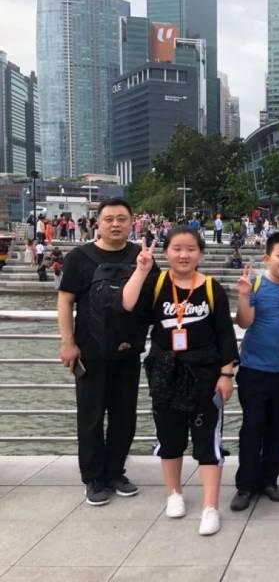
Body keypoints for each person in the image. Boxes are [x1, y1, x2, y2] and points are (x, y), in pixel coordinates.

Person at [121, 227, 238, 535]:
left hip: (205, 375)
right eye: (177, 249)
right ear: (167, 252)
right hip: (165, 373)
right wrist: (141, 270)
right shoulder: (157, 283)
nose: (184, 255)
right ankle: (174, 493)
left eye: (190, 249)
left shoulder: (211, 288)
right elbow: (128, 305)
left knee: (208, 441)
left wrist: (227, 374)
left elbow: (225, 334)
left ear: (200, 253)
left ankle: (210, 507)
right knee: (169, 437)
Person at [57, 199, 151, 506]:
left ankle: (115, 472)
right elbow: (65, 300)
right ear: (97, 222)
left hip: (128, 351)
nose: (115, 224)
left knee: (125, 417)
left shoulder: (140, 256)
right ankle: (93, 478)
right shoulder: (79, 257)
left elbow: (153, 299)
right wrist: (68, 342)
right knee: (91, 417)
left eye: (121, 218)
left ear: (132, 222)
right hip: (90, 351)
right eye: (109, 219)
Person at [230, 232, 279, 511]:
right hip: (254, 369)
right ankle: (246, 485)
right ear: (267, 258)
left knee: (278, 429)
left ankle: (269, 480)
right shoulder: (257, 284)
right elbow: (244, 322)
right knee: (252, 428)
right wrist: (243, 295)